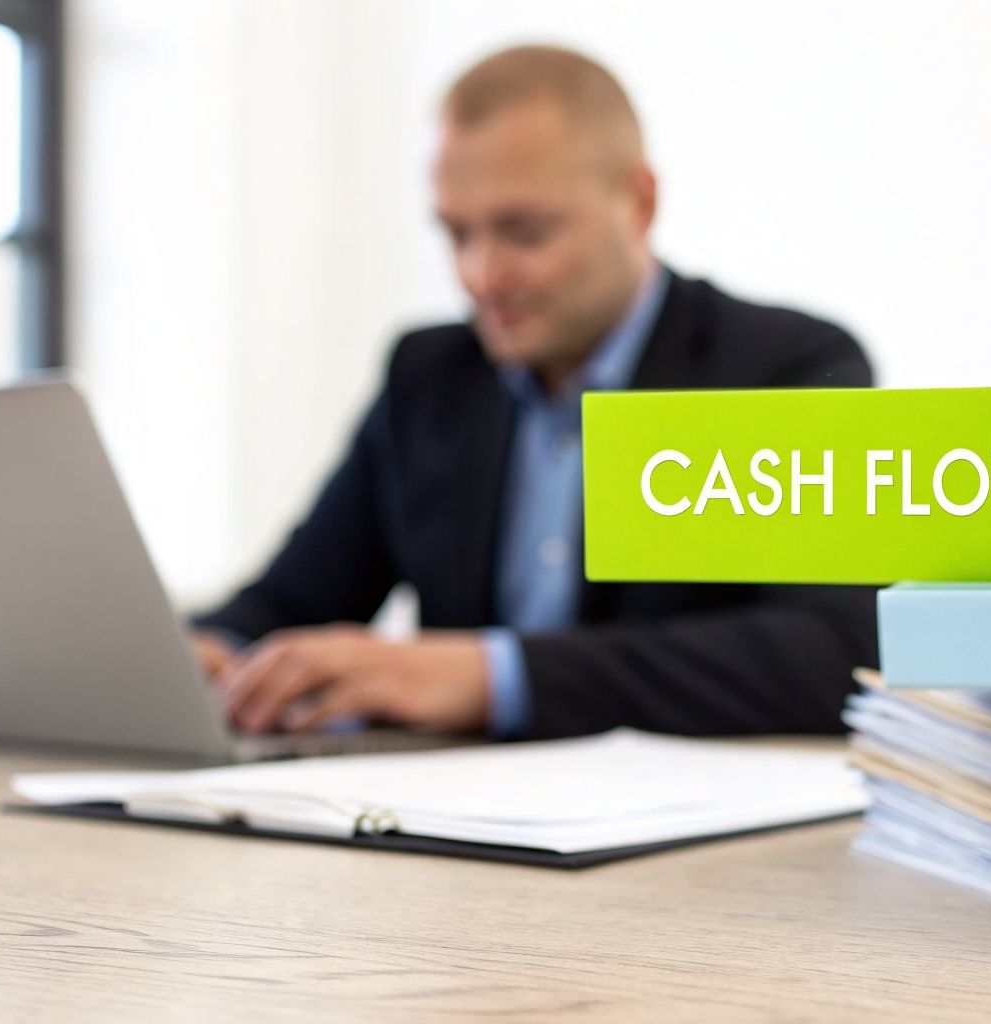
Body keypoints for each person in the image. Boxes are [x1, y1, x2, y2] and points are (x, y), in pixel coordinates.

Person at [194, 45, 875, 740]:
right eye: (457, 234)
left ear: (639, 203)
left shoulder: (782, 369)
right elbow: (288, 604)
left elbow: (835, 652)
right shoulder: (430, 377)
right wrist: (205, 656)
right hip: (452, 802)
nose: (481, 275)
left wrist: (490, 676)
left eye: (524, 233)